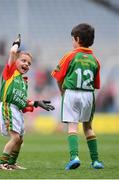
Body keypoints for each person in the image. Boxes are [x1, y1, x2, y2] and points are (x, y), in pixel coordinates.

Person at [0, 34, 55, 170]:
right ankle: (1, 163)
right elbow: (12, 52)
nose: (26, 64)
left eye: (29, 63)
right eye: (23, 60)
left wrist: (36, 103)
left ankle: (11, 163)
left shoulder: (23, 82)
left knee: (20, 139)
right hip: (8, 107)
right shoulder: (10, 72)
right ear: (15, 61)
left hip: (16, 109)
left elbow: (22, 101)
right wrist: (16, 43)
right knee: (15, 138)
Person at [51, 23, 104, 170]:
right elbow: (96, 84)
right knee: (88, 128)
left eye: (73, 39)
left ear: (77, 39)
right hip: (88, 95)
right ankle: (96, 161)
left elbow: (57, 77)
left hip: (71, 93)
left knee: (72, 126)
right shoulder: (95, 60)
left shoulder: (70, 55)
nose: (72, 42)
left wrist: (62, 92)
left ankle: (74, 157)